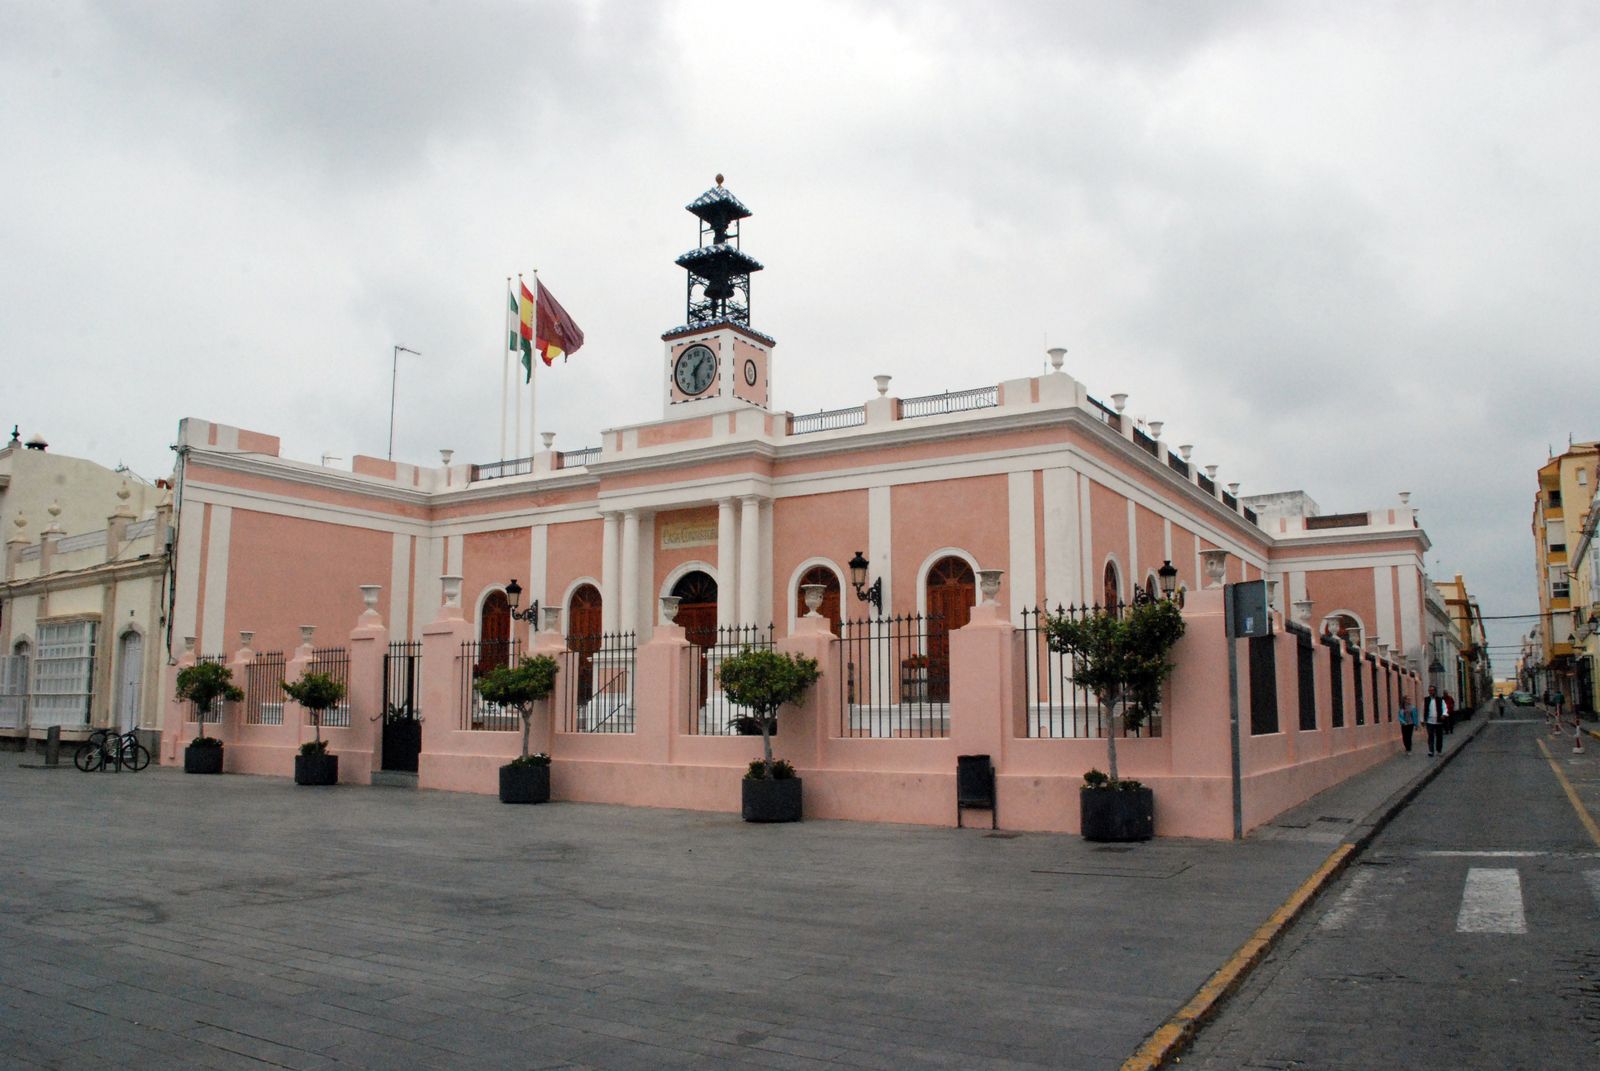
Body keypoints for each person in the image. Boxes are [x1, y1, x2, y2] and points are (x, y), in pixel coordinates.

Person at [1422, 686, 1448, 757]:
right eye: (1429, 690)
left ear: (1435, 691)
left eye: (1432, 690)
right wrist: (1423, 720)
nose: (1431, 692)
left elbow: (1445, 708)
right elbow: (1423, 709)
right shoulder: (1426, 700)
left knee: (1439, 736)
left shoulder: (1440, 700)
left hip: (1438, 721)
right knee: (1430, 736)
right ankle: (1431, 750)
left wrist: (1444, 714)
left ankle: (1439, 750)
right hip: (1429, 721)